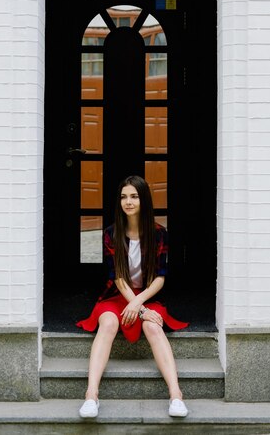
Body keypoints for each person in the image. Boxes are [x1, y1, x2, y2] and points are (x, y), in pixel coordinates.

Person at [76, 174, 189, 419]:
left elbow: (160, 277)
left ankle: (176, 395)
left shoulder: (159, 233)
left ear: (144, 200)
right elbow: (117, 276)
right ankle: (91, 396)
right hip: (117, 294)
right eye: (124, 197)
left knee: (153, 326)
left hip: (148, 296)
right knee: (108, 323)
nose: (128, 202)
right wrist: (136, 305)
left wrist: (140, 305)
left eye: (134, 197)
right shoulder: (110, 234)